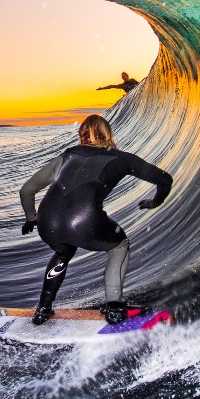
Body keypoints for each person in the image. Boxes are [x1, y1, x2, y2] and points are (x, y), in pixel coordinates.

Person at [19, 114, 172, 325]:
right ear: (108, 133)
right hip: (84, 222)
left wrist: (31, 218)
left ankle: (43, 309)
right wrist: (156, 201)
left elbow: (27, 190)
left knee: (63, 251)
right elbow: (164, 179)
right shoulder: (121, 159)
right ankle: (115, 307)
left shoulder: (67, 156)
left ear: (82, 135)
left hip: (48, 222)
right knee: (119, 246)